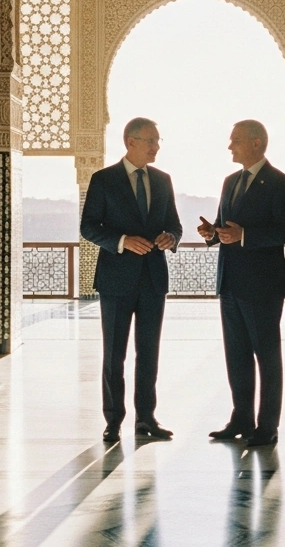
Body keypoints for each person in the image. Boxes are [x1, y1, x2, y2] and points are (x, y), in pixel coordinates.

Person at [80, 117, 183, 443]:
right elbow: (89, 227)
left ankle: (146, 419)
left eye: (158, 141)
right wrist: (123, 241)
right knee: (114, 354)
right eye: (151, 140)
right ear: (130, 142)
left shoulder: (163, 180)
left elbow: (174, 226)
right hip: (116, 279)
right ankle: (113, 420)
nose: (156, 147)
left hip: (153, 279)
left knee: (148, 352)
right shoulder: (103, 180)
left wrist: (171, 238)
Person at [196, 120, 285, 446]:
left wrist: (245, 236)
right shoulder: (229, 182)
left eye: (236, 141)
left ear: (256, 143)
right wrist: (213, 234)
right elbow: (226, 227)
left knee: (266, 356)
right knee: (236, 355)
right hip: (230, 282)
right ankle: (240, 419)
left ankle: (267, 427)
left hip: (263, 285)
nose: (230, 146)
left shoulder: (280, 183)